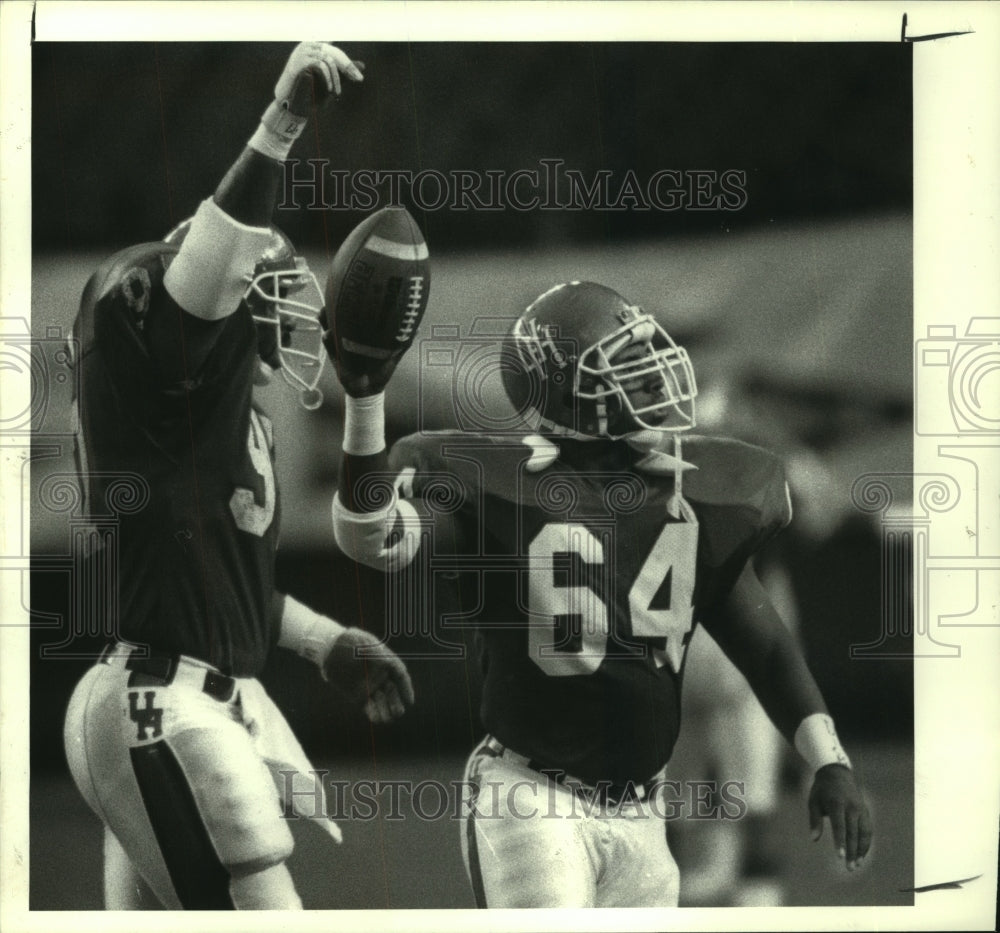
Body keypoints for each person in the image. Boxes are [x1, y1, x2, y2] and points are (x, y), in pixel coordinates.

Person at [327, 278, 873, 908]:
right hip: (533, 799)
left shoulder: (689, 496)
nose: (653, 376)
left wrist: (829, 758)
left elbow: (768, 647)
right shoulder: (498, 491)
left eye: (646, 356)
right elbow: (371, 537)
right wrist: (364, 400)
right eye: (623, 363)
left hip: (642, 812)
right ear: (569, 393)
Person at [62, 42, 414, 911]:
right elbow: (205, 271)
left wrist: (323, 640)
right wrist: (281, 121)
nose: (287, 313)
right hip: (158, 703)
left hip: (187, 694)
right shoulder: (160, 375)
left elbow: (223, 582)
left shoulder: (218, 422)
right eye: (267, 291)